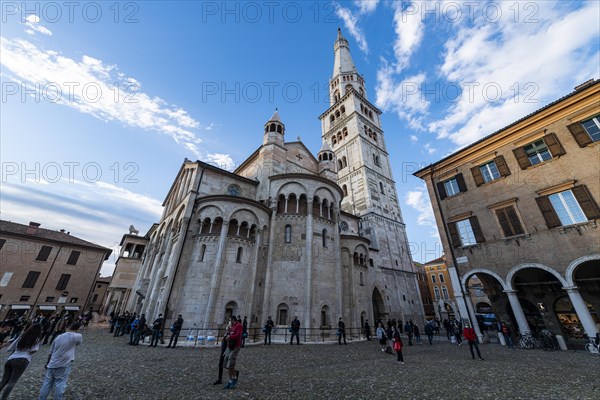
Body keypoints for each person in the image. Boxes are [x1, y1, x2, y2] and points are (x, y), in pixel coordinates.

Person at [38, 322, 83, 400]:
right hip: (64, 363)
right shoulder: (77, 336)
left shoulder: (58, 337)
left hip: (52, 363)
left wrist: (47, 362)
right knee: (60, 384)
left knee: (46, 383)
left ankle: (41, 398)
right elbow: (78, 343)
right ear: (78, 328)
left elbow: (50, 352)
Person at [1, 323, 41, 399]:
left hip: (11, 358)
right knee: (12, 382)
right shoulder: (36, 339)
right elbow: (33, 350)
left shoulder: (22, 335)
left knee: (3, 380)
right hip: (23, 360)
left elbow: (12, 346)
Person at [223, 316, 242, 389]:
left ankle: (233, 378)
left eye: (230, 320)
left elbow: (238, 335)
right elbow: (228, 333)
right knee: (226, 362)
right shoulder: (231, 326)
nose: (229, 322)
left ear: (233, 320)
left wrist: (230, 336)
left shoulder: (239, 325)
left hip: (235, 346)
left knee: (231, 362)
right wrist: (227, 331)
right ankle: (231, 380)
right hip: (229, 345)